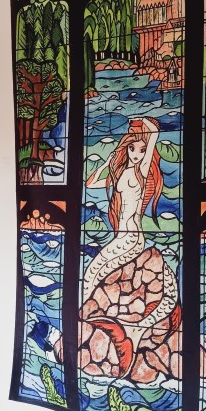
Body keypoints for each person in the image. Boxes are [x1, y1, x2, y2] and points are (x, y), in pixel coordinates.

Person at [83, 117, 163, 300]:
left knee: (94, 273)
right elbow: (90, 184)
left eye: (142, 151)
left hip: (131, 236)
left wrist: (141, 119)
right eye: (132, 148)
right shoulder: (120, 175)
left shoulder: (141, 171)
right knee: (94, 274)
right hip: (123, 235)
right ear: (126, 148)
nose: (136, 154)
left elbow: (154, 134)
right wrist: (105, 164)